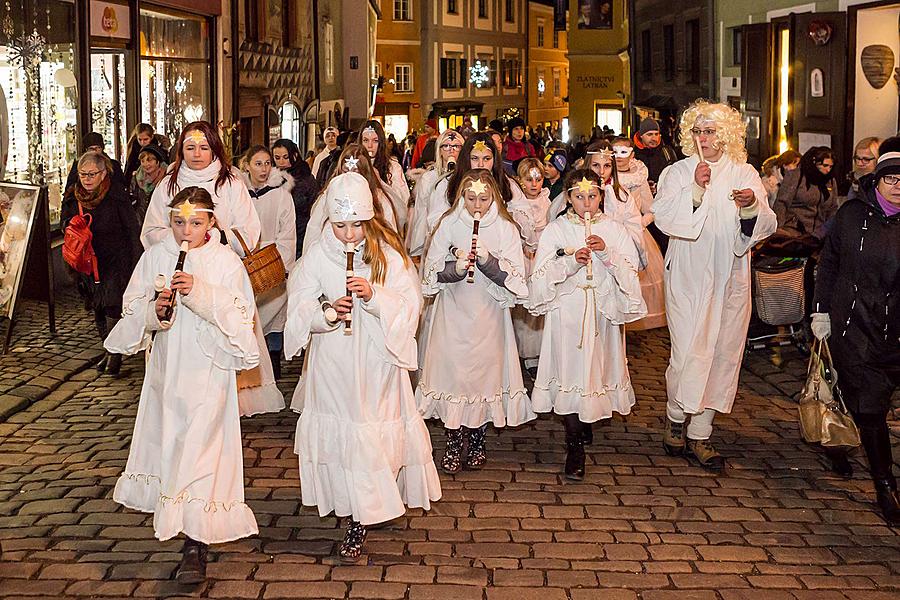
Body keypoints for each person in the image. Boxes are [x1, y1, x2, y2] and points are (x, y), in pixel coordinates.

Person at [105, 187, 261, 584]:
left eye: (195, 222)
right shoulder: (157, 255)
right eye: (178, 222)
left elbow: (242, 317)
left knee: (202, 450)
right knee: (174, 444)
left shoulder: (225, 262)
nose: (185, 231)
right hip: (168, 370)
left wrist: (199, 293)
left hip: (208, 372)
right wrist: (154, 312)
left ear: (211, 222)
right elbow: (131, 308)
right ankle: (180, 521)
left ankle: (195, 543)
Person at [285, 172, 441, 562]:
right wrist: (326, 312)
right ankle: (351, 509)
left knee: (371, 434)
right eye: (340, 226)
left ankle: (362, 517)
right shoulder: (317, 256)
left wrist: (374, 297)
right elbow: (298, 306)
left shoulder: (388, 256)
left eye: (356, 225)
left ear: (369, 220)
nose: (349, 234)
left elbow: (410, 306)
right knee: (345, 432)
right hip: (334, 362)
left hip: (376, 361)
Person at [652, 100, 776, 472]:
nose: (703, 138)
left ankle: (701, 434)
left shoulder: (744, 173)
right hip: (689, 275)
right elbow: (664, 217)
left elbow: (766, 223)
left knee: (723, 352)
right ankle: (676, 417)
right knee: (688, 350)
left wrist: (750, 206)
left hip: (729, 276)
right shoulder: (678, 171)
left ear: (725, 135)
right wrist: (694, 190)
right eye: (697, 131)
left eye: (710, 132)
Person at [140, 121, 281, 417]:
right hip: (178, 272)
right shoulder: (169, 184)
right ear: (181, 150)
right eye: (190, 147)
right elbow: (151, 228)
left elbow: (249, 228)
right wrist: (180, 237)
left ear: (214, 148)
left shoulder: (230, 182)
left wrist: (215, 237)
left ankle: (223, 401)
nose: (197, 154)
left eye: (204, 147)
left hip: (220, 273)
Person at [527, 169, 646, 480]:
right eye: (579, 197)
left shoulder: (614, 229)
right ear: (568, 198)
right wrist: (569, 263)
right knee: (569, 372)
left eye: (592, 196)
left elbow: (631, 274)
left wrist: (606, 253)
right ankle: (574, 442)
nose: (586, 202)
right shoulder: (556, 230)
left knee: (594, 371)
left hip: (600, 314)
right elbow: (539, 277)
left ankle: (585, 420)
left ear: (601, 197)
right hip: (567, 313)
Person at [417, 169, 534, 473]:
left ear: (493, 196)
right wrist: (455, 268)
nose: (477, 205)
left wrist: (488, 262)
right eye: (470, 198)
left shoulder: (505, 228)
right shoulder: (449, 224)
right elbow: (431, 271)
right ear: (462, 197)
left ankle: (478, 438)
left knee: (484, 374)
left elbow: (516, 278)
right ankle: (454, 439)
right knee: (454, 374)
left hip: (488, 314)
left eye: (483, 198)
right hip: (454, 312)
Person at [810, 140, 900, 526]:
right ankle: (885, 486)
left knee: (864, 403)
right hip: (853, 326)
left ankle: (839, 441)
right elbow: (828, 265)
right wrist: (820, 312)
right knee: (870, 408)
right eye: (891, 178)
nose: (898, 185)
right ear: (877, 180)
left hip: (895, 330)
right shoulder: (851, 215)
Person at [61, 151, 142, 377]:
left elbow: (132, 231)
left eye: (92, 174)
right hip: (86, 262)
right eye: (83, 174)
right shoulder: (73, 196)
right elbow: (65, 225)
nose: (87, 179)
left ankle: (115, 354)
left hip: (116, 259)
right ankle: (108, 347)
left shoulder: (116, 195)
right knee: (97, 306)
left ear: (103, 173)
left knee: (113, 305)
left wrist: (137, 263)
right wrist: (72, 225)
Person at [241, 145, 297, 380]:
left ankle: (274, 365)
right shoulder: (240, 194)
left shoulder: (281, 194)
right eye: (258, 163)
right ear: (247, 166)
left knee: (274, 317)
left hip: (273, 264)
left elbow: (288, 231)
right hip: (248, 262)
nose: (263, 169)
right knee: (250, 318)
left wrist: (281, 263)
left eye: (267, 163)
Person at [303, 144, 400, 254]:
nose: (350, 177)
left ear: (365, 173)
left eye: (356, 172)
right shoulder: (328, 197)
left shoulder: (380, 199)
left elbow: (389, 239)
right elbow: (314, 231)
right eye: (346, 171)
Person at [611, 137, 666, 329]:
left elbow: (651, 208)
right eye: (615, 152)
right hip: (610, 235)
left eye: (624, 152)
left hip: (635, 235)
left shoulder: (639, 176)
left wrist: (639, 224)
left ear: (632, 154)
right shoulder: (605, 175)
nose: (619, 157)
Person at [509, 158, 551, 373]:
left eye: (538, 179)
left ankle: (535, 353)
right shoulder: (516, 204)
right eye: (529, 179)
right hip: (523, 258)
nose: (534, 184)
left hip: (541, 258)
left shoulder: (547, 201)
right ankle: (518, 350)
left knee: (537, 306)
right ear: (520, 180)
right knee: (520, 307)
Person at [407, 129, 463, 257]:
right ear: (439, 149)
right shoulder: (429, 177)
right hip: (434, 234)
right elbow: (421, 210)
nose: (451, 150)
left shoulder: (467, 176)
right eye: (446, 146)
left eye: (456, 146)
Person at [772, 146, 838, 243]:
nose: (828, 170)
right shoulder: (795, 176)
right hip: (793, 232)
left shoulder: (830, 181)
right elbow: (782, 203)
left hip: (818, 235)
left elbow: (832, 208)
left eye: (831, 166)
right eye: (825, 165)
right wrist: (778, 228)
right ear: (815, 162)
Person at [272, 138, 320, 258]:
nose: (281, 161)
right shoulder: (271, 178)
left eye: (285, 157)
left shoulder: (306, 177)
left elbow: (315, 207)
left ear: (294, 155)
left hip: (301, 231)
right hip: (277, 233)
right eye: (277, 158)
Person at [359, 120, 410, 230]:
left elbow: (403, 202)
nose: (370, 145)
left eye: (375, 141)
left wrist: (380, 183)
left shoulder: (393, 168)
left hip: (386, 225)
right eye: (365, 140)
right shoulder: (354, 166)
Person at [632, 117, 678, 192]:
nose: (654, 138)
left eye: (656, 134)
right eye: (649, 134)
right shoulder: (632, 154)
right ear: (641, 135)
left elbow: (675, 174)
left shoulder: (667, 152)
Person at [129, 144, 168, 221]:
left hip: (160, 220)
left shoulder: (166, 177)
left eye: (149, 160)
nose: (146, 164)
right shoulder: (136, 177)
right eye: (142, 161)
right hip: (139, 220)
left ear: (158, 161)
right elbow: (132, 198)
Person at [847, 137, 880, 201]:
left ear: (878, 159)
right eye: (857, 158)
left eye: (866, 159)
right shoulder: (856, 180)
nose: (859, 163)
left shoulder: (885, 184)